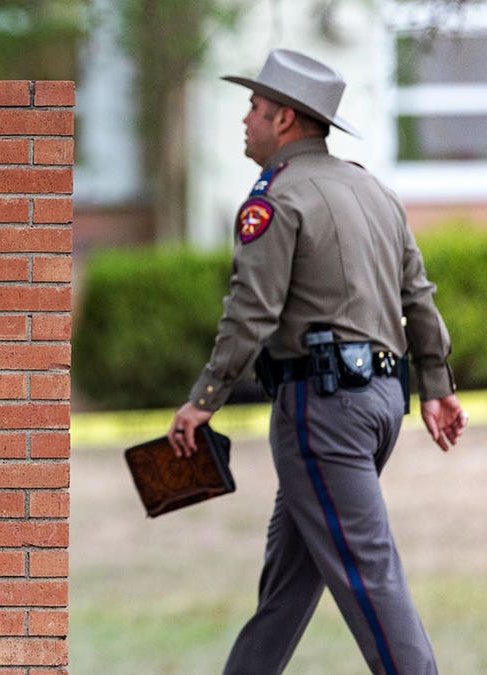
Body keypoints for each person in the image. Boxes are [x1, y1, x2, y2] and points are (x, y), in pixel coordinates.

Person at [166, 48, 468, 675]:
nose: (244, 118)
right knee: (287, 588)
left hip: (322, 409)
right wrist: (436, 385)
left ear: (285, 120)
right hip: (381, 401)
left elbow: (251, 312)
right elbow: (418, 296)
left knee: (369, 577)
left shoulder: (275, 199)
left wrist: (203, 401)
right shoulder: (374, 190)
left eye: (253, 106)